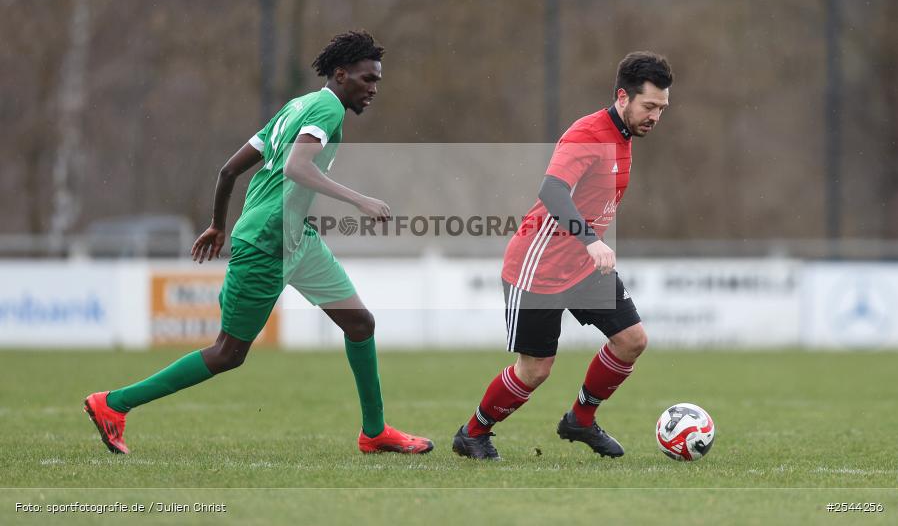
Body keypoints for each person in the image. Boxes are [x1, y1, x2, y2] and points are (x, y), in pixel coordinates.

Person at [85, 31, 433, 455]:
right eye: (367, 79)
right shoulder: (326, 109)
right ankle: (113, 404)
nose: (374, 89)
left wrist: (216, 224)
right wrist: (359, 200)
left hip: (295, 239)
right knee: (228, 353)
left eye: (377, 80)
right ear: (341, 75)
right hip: (266, 245)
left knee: (360, 324)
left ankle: (375, 432)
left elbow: (228, 171)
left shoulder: (297, 106)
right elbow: (295, 168)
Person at [452, 52, 673, 460]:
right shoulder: (587, 133)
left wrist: (589, 247)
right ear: (623, 98)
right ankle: (472, 433)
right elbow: (552, 191)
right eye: (649, 106)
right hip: (539, 268)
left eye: (662, 108)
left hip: (584, 267)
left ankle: (580, 421)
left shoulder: (624, 137)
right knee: (535, 370)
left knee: (631, 341)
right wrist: (591, 240)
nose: (655, 116)